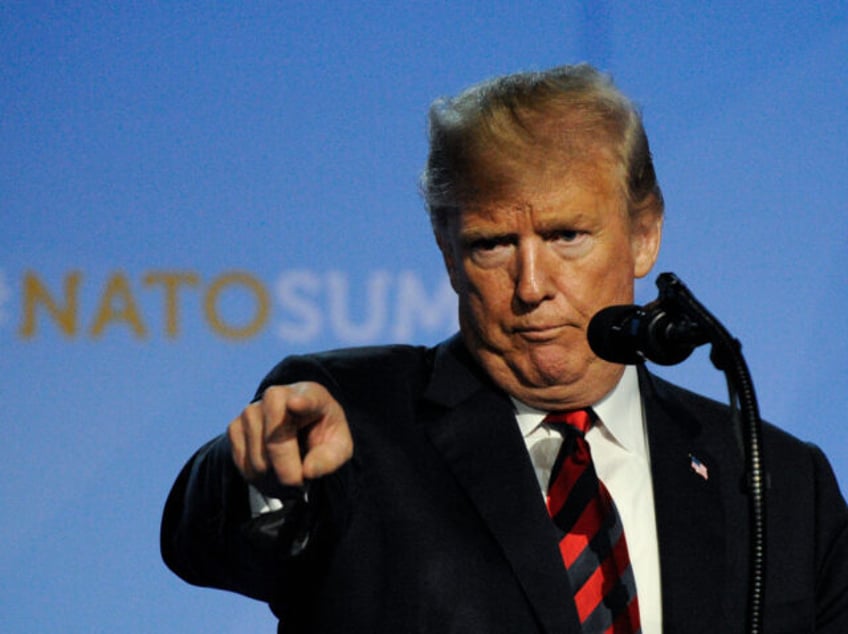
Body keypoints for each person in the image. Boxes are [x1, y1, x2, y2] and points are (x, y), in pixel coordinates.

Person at [161, 64, 848, 633]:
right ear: (448, 252)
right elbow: (206, 545)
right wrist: (261, 479)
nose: (531, 286)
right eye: (492, 245)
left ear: (644, 234)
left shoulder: (780, 480)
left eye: (566, 236)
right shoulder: (352, 422)